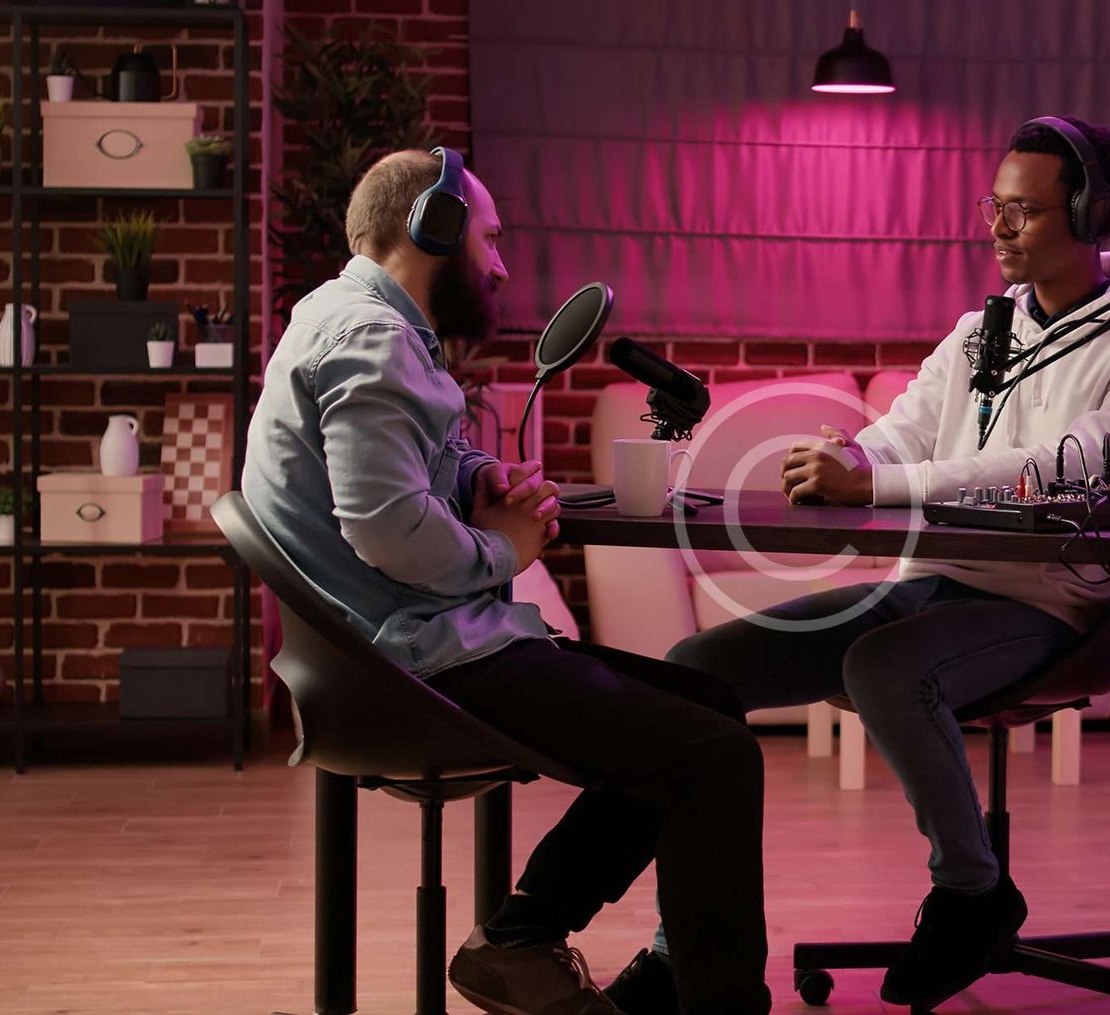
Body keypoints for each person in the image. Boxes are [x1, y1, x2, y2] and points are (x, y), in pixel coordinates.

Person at [644, 116, 1110, 1013]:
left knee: (883, 665)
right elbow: (905, 427)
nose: (998, 228)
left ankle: (973, 892)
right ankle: (687, 951)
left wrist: (880, 480)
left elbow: (1065, 463)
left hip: (1063, 608)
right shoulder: (984, 330)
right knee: (695, 671)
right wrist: (854, 456)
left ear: (1088, 215)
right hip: (940, 586)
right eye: (994, 205)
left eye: (1023, 211)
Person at [242, 149, 771, 1015]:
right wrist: (504, 550)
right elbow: (385, 527)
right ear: (434, 228)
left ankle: (543, 946)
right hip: (413, 665)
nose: (501, 265)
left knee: (707, 705)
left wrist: (478, 475)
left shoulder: (355, 321)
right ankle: (670, 989)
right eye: (489, 239)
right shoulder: (372, 341)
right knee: (713, 756)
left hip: (407, 647)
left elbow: (417, 464)